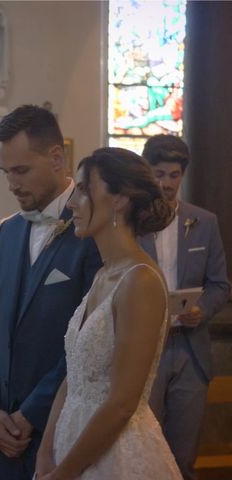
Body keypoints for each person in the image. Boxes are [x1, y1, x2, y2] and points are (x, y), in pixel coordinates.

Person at [35, 147, 182, 479]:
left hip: (113, 454)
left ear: (120, 199)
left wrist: (65, 473)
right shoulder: (104, 274)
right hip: (70, 445)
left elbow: (122, 404)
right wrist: (46, 451)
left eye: (85, 190)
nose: (72, 203)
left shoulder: (140, 280)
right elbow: (74, 375)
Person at [0, 106, 101, 480]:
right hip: (6, 434)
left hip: (65, 429)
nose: (11, 184)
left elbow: (91, 341)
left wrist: (31, 414)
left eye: (21, 170)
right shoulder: (8, 233)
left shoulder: (93, 230)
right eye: (5, 172)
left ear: (57, 157)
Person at [139, 135, 230, 479]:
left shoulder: (203, 221)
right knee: (146, 452)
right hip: (146, 347)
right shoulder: (131, 222)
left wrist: (202, 310)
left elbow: (221, 284)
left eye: (174, 175)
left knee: (182, 458)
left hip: (190, 349)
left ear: (183, 175)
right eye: (158, 174)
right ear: (147, 172)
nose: (166, 183)